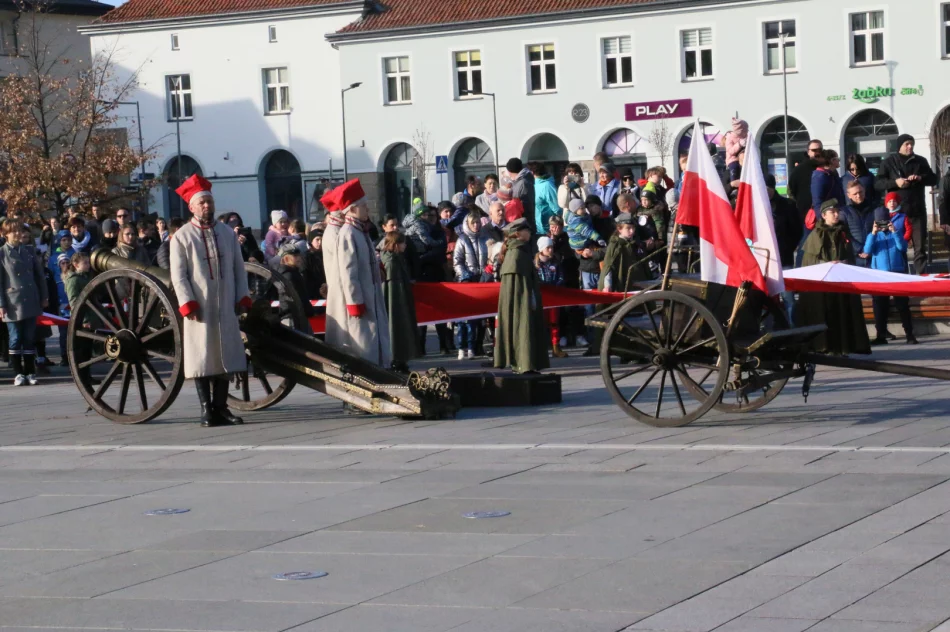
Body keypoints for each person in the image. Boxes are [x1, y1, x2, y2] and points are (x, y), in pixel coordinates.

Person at [169, 174, 252, 428]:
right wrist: (187, 302)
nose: (207, 206)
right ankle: (206, 409)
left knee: (225, 356)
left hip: (225, 305)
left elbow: (239, 268)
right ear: (192, 207)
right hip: (200, 308)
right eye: (201, 202)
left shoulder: (227, 233)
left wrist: (243, 296)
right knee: (202, 357)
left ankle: (221, 407)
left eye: (209, 202)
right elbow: (178, 275)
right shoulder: (182, 237)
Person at [323, 178, 391, 367]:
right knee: (362, 343)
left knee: (372, 339)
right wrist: (354, 302)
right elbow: (348, 272)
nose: (368, 209)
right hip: (361, 299)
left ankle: (380, 368)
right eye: (363, 206)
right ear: (351, 209)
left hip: (371, 294)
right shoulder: (347, 234)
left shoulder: (360, 232)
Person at [799, 200, 870, 356]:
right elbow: (809, 263)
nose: (836, 215)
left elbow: (849, 255)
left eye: (838, 212)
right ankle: (825, 346)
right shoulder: (816, 235)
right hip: (823, 285)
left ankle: (844, 347)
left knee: (842, 313)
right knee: (826, 313)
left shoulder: (843, 232)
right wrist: (827, 264)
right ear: (824, 215)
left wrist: (845, 263)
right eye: (832, 212)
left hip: (841, 282)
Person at [874, 134, 939, 274]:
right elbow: (878, 183)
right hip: (898, 213)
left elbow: (934, 179)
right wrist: (895, 182)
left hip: (917, 211)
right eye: (907, 144)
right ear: (899, 146)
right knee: (898, 247)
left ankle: (921, 277)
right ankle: (902, 278)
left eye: (912, 144)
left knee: (920, 248)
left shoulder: (920, 161)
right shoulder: (889, 162)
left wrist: (920, 178)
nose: (910, 146)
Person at [494, 218, 549, 374]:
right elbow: (518, 289)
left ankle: (525, 362)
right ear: (518, 233)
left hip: (524, 299)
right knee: (522, 325)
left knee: (525, 325)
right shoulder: (517, 253)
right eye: (527, 230)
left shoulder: (521, 251)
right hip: (520, 302)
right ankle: (523, 363)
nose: (530, 232)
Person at [0, 220, 48, 386]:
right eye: (14, 231)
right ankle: (18, 372)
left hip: (30, 298)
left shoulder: (28, 251)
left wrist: (44, 296)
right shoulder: (2, 253)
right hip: (13, 301)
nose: (18, 234)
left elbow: (39, 276)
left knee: (29, 337)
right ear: (5, 234)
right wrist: (1, 304)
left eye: (19, 231)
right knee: (15, 338)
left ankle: (30, 372)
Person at [866, 208, 917, 346]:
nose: (883, 225)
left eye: (885, 221)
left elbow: (902, 248)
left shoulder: (896, 233)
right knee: (879, 305)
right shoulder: (874, 236)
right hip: (879, 274)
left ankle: (909, 334)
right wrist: (873, 233)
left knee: (902, 304)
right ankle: (880, 335)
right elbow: (867, 251)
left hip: (897, 273)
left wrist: (894, 232)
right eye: (879, 222)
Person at [765, 174, 803, 324]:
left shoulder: (787, 205)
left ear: (772, 188)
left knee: (788, 299)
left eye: (767, 188)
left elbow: (797, 231)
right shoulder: (756, 204)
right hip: (764, 260)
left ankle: (793, 328)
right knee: (766, 299)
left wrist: (787, 247)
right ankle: (768, 329)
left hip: (783, 257)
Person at [453, 211, 491, 359]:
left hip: (482, 279)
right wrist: (465, 277)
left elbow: (490, 257)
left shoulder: (485, 237)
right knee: (466, 318)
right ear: (468, 224)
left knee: (481, 316)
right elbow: (457, 261)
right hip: (467, 281)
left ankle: (477, 345)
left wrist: (487, 273)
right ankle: (463, 346)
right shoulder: (462, 239)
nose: (476, 225)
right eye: (473, 223)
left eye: (478, 223)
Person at [379, 231, 418, 373]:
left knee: (399, 330)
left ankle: (400, 359)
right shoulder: (392, 262)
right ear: (395, 244)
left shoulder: (397, 258)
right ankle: (396, 359)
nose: (405, 245)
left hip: (399, 299)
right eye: (402, 243)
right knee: (396, 330)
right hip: (396, 302)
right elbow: (393, 287)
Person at [64, 252, 98, 384]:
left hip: (90, 315)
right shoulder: (73, 280)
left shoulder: (86, 277)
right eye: (85, 263)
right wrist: (83, 320)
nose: (88, 265)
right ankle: (82, 377)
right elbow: (74, 302)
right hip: (82, 319)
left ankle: (87, 375)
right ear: (75, 264)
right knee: (82, 350)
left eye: (88, 262)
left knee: (88, 349)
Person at [599, 212, 650, 294]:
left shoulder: (636, 243)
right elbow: (608, 268)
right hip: (623, 287)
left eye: (633, 228)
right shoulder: (615, 246)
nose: (632, 231)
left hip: (639, 286)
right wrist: (607, 286)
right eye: (628, 228)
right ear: (619, 229)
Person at [535, 235, 566, 358]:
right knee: (540, 323)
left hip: (553, 297)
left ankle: (555, 347)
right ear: (541, 249)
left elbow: (561, 277)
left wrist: (556, 286)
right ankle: (540, 348)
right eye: (548, 248)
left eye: (551, 247)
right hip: (540, 297)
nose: (551, 250)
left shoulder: (555, 263)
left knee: (554, 322)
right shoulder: (535, 264)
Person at [275, 242, 315, 332]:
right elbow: (295, 298)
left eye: (299, 255)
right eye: (295, 256)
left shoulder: (294, 273)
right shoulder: (288, 275)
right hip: (292, 318)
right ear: (286, 258)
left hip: (298, 317)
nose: (299, 258)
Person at [840, 181, 875, 268]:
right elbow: (845, 234)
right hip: (854, 257)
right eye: (855, 193)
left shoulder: (874, 209)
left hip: (873, 254)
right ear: (849, 195)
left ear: (864, 191)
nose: (858, 196)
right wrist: (860, 249)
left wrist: (868, 249)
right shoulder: (844, 212)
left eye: (860, 192)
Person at [788, 139, 823, 221]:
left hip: (826, 216)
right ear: (808, 152)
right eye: (814, 150)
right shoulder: (799, 170)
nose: (817, 152)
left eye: (820, 150)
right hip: (806, 216)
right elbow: (791, 191)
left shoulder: (827, 167)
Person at [530, 162, 559, 235]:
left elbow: (557, 208)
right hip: (537, 228)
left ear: (532, 172)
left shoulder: (547, 185)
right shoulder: (534, 184)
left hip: (547, 229)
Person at [507, 158, 535, 230]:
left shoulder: (522, 183)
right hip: (523, 222)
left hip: (524, 224)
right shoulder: (520, 181)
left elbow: (523, 205)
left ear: (509, 171)